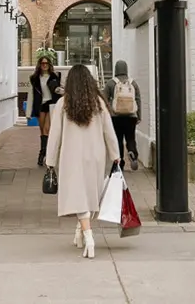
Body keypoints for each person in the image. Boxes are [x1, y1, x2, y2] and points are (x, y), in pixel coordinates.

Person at [45, 64, 120, 259]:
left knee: (78, 197)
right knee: (89, 194)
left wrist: (50, 159)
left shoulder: (64, 104)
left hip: (72, 156)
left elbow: (55, 135)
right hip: (96, 156)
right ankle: (79, 232)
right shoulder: (98, 103)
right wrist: (115, 154)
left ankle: (89, 238)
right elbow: (109, 132)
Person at [105, 59, 141, 170]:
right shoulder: (133, 83)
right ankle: (132, 153)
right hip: (131, 117)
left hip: (116, 117)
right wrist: (139, 116)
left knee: (118, 139)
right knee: (131, 138)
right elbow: (138, 99)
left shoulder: (111, 83)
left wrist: (108, 113)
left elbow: (104, 99)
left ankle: (120, 162)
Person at [29, 56, 63, 166]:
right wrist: (28, 112)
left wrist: (59, 90)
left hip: (51, 104)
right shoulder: (34, 78)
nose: (44, 65)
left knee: (47, 130)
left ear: (49, 65)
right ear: (39, 65)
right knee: (42, 131)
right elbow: (31, 95)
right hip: (40, 106)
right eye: (43, 63)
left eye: (46, 63)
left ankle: (42, 154)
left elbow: (62, 89)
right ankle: (45, 152)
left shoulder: (55, 76)